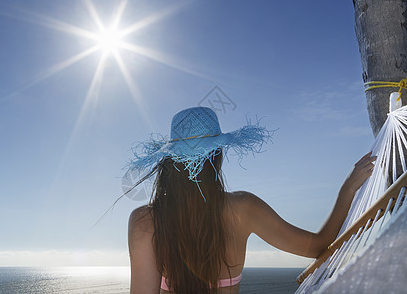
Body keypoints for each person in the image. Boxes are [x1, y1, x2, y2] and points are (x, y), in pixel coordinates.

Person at [125, 107, 376, 294]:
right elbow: (317, 246)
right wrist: (348, 189)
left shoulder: (145, 222)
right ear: (219, 156)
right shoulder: (243, 209)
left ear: (171, 162)